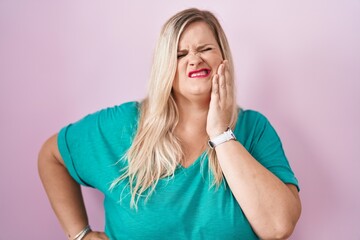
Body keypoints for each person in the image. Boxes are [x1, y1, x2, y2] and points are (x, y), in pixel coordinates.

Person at [38, 8, 301, 240]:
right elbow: (51, 156)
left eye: (205, 49)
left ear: (223, 58)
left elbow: (278, 227)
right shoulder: (123, 125)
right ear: (165, 67)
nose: (194, 59)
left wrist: (220, 134)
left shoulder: (254, 129)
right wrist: (80, 234)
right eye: (180, 54)